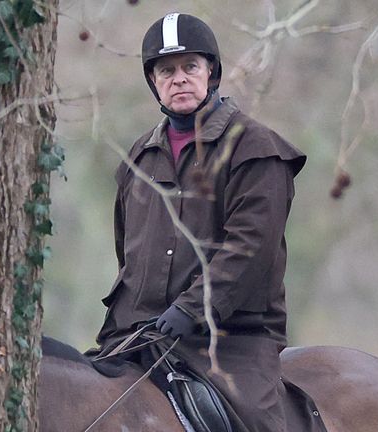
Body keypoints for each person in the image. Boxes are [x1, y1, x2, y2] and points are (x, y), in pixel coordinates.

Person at [93, 12, 306, 431]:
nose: (179, 79)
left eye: (190, 67)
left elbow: (250, 248)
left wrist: (191, 309)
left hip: (230, 342)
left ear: (212, 72)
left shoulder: (256, 148)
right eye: (166, 71)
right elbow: (129, 255)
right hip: (139, 337)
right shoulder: (138, 159)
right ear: (153, 82)